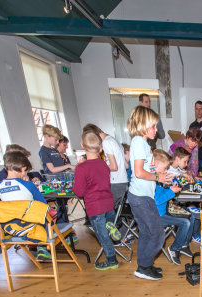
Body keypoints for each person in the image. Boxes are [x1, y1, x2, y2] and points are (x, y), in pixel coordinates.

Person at [127, 105, 173, 281]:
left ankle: (144, 266)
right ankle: (144, 267)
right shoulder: (139, 142)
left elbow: (144, 167)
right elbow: (138, 172)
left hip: (142, 196)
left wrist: (158, 172)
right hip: (140, 197)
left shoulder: (142, 143)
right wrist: (157, 177)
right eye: (153, 126)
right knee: (158, 233)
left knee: (146, 232)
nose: (156, 129)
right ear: (143, 125)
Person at [72, 130, 120, 271]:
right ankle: (110, 224)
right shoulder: (103, 164)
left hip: (95, 206)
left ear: (82, 145)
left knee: (102, 236)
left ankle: (112, 260)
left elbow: (79, 191)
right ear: (101, 149)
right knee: (106, 226)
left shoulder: (81, 168)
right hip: (108, 204)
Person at [0, 151, 53, 261]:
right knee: (51, 213)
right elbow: (43, 205)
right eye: (26, 171)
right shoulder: (27, 184)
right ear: (23, 169)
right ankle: (43, 247)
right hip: (31, 225)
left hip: (12, 228)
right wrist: (28, 184)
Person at [153, 149, 196, 262]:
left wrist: (168, 187)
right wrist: (171, 191)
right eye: (165, 168)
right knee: (185, 222)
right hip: (158, 215)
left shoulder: (159, 179)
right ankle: (174, 248)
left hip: (165, 209)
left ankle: (184, 245)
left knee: (190, 215)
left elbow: (161, 195)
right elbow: (157, 200)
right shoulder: (154, 180)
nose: (167, 170)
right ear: (156, 166)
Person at [82, 123, 128, 206]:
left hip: (115, 182)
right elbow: (126, 165)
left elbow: (114, 167)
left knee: (105, 209)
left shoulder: (106, 142)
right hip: (123, 181)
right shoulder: (113, 140)